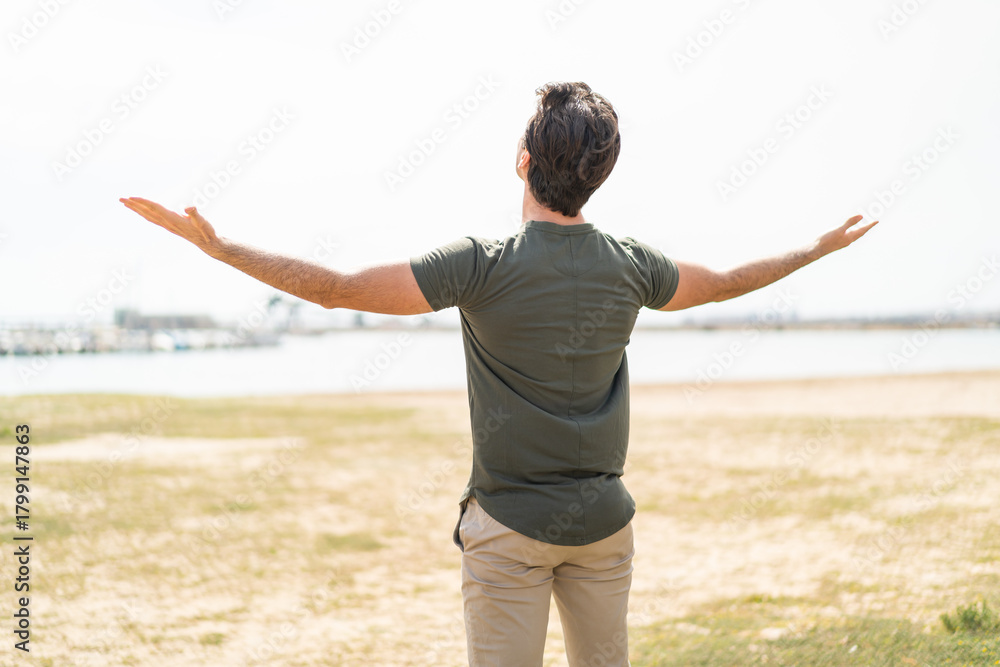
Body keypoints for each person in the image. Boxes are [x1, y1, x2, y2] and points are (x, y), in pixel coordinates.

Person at [120, 80, 877, 666]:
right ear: (600, 175)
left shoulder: (480, 265)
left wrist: (220, 248)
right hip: (604, 527)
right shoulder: (632, 265)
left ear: (523, 160)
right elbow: (723, 282)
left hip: (509, 529)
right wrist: (812, 251)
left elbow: (339, 289)